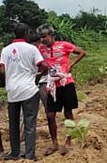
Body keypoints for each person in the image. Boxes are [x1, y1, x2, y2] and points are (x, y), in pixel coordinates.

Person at [0, 24, 48, 161]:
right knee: (30, 124)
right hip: (29, 91)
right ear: (26, 33)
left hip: (12, 92)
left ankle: (14, 153)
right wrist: (37, 77)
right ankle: (29, 155)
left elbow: (2, 71)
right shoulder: (32, 49)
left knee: (13, 124)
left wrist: (3, 83)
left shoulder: (6, 50)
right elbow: (44, 66)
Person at [36, 23, 87, 155]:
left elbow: (82, 52)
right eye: (40, 37)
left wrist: (71, 63)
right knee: (50, 114)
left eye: (44, 36)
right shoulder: (41, 49)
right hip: (52, 85)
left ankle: (69, 140)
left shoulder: (64, 45)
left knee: (68, 112)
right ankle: (54, 143)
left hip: (66, 83)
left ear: (51, 35)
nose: (42, 39)